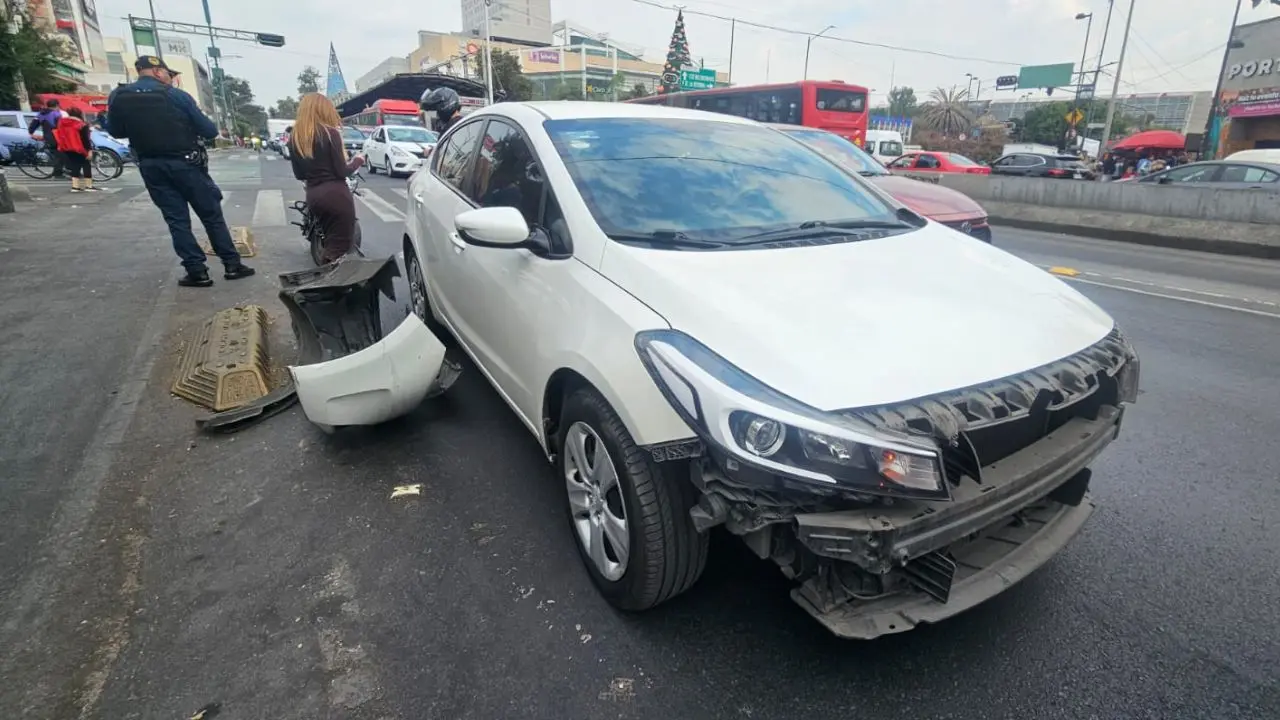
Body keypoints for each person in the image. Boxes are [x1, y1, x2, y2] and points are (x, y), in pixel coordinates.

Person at [106, 55, 254, 287]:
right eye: (168, 73)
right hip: (187, 164)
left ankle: (197, 272)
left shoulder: (119, 96)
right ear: (156, 71)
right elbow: (208, 130)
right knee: (211, 216)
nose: (170, 77)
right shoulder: (175, 96)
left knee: (177, 220)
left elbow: (115, 131)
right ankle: (232, 264)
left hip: (152, 166)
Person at [288, 93, 366, 264]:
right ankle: (331, 285)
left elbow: (299, 175)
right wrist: (358, 161)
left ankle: (331, 282)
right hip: (336, 195)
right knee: (340, 247)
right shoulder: (331, 134)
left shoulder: (295, 138)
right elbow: (342, 171)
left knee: (332, 244)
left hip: (314, 195)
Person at [52, 107, 98, 193]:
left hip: (67, 147)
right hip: (80, 148)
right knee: (86, 164)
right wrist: (89, 151)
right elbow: (85, 140)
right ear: (80, 114)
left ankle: (75, 186)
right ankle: (89, 185)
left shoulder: (62, 123)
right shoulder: (82, 125)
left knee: (75, 165)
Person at [27, 100, 66, 179]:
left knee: (57, 155)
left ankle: (59, 172)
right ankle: (58, 174)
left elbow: (33, 126)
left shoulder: (40, 114)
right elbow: (61, 126)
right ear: (57, 105)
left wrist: (31, 133)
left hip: (48, 137)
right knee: (60, 155)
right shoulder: (56, 114)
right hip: (57, 137)